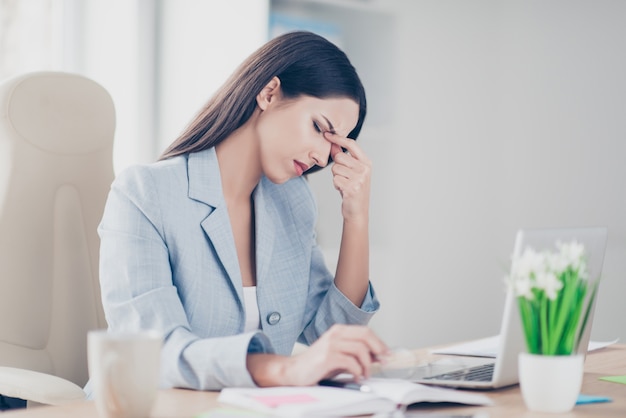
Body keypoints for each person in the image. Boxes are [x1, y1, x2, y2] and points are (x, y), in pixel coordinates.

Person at [96, 30, 387, 391]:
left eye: (335, 148)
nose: (322, 157)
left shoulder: (292, 202)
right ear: (269, 92)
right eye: (318, 129)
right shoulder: (143, 194)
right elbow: (153, 353)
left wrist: (356, 218)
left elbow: (331, 336)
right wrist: (284, 371)